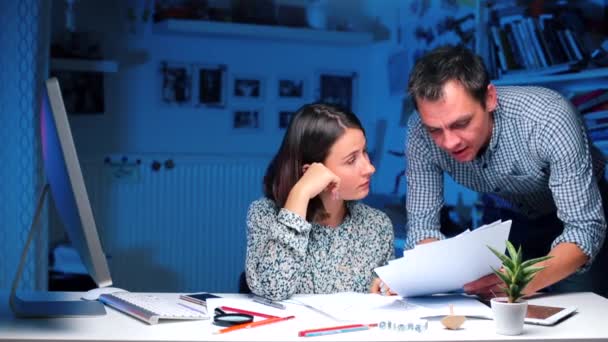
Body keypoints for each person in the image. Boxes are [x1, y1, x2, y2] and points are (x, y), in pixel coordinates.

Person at [405, 45, 608, 298]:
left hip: (579, 211)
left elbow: (583, 227)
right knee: (493, 306)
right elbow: (423, 226)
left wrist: (521, 280)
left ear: (489, 98)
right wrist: (423, 275)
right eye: (436, 129)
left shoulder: (548, 119)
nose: (449, 142)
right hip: (510, 217)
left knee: (581, 308)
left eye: (462, 123)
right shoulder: (419, 132)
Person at [245, 103, 394, 301]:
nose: (369, 168)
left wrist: (388, 289)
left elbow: (382, 299)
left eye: (365, 152)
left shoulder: (377, 225)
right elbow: (273, 289)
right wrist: (301, 192)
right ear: (311, 172)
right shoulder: (264, 215)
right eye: (351, 160)